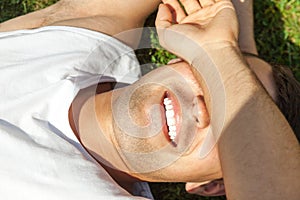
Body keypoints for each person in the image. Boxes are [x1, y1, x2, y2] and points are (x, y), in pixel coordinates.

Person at [0, 1, 299, 200]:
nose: (205, 107)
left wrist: (221, 50)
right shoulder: (83, 37)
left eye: (232, 129)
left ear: (211, 186)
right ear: (178, 61)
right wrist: (235, 45)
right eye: (214, 78)